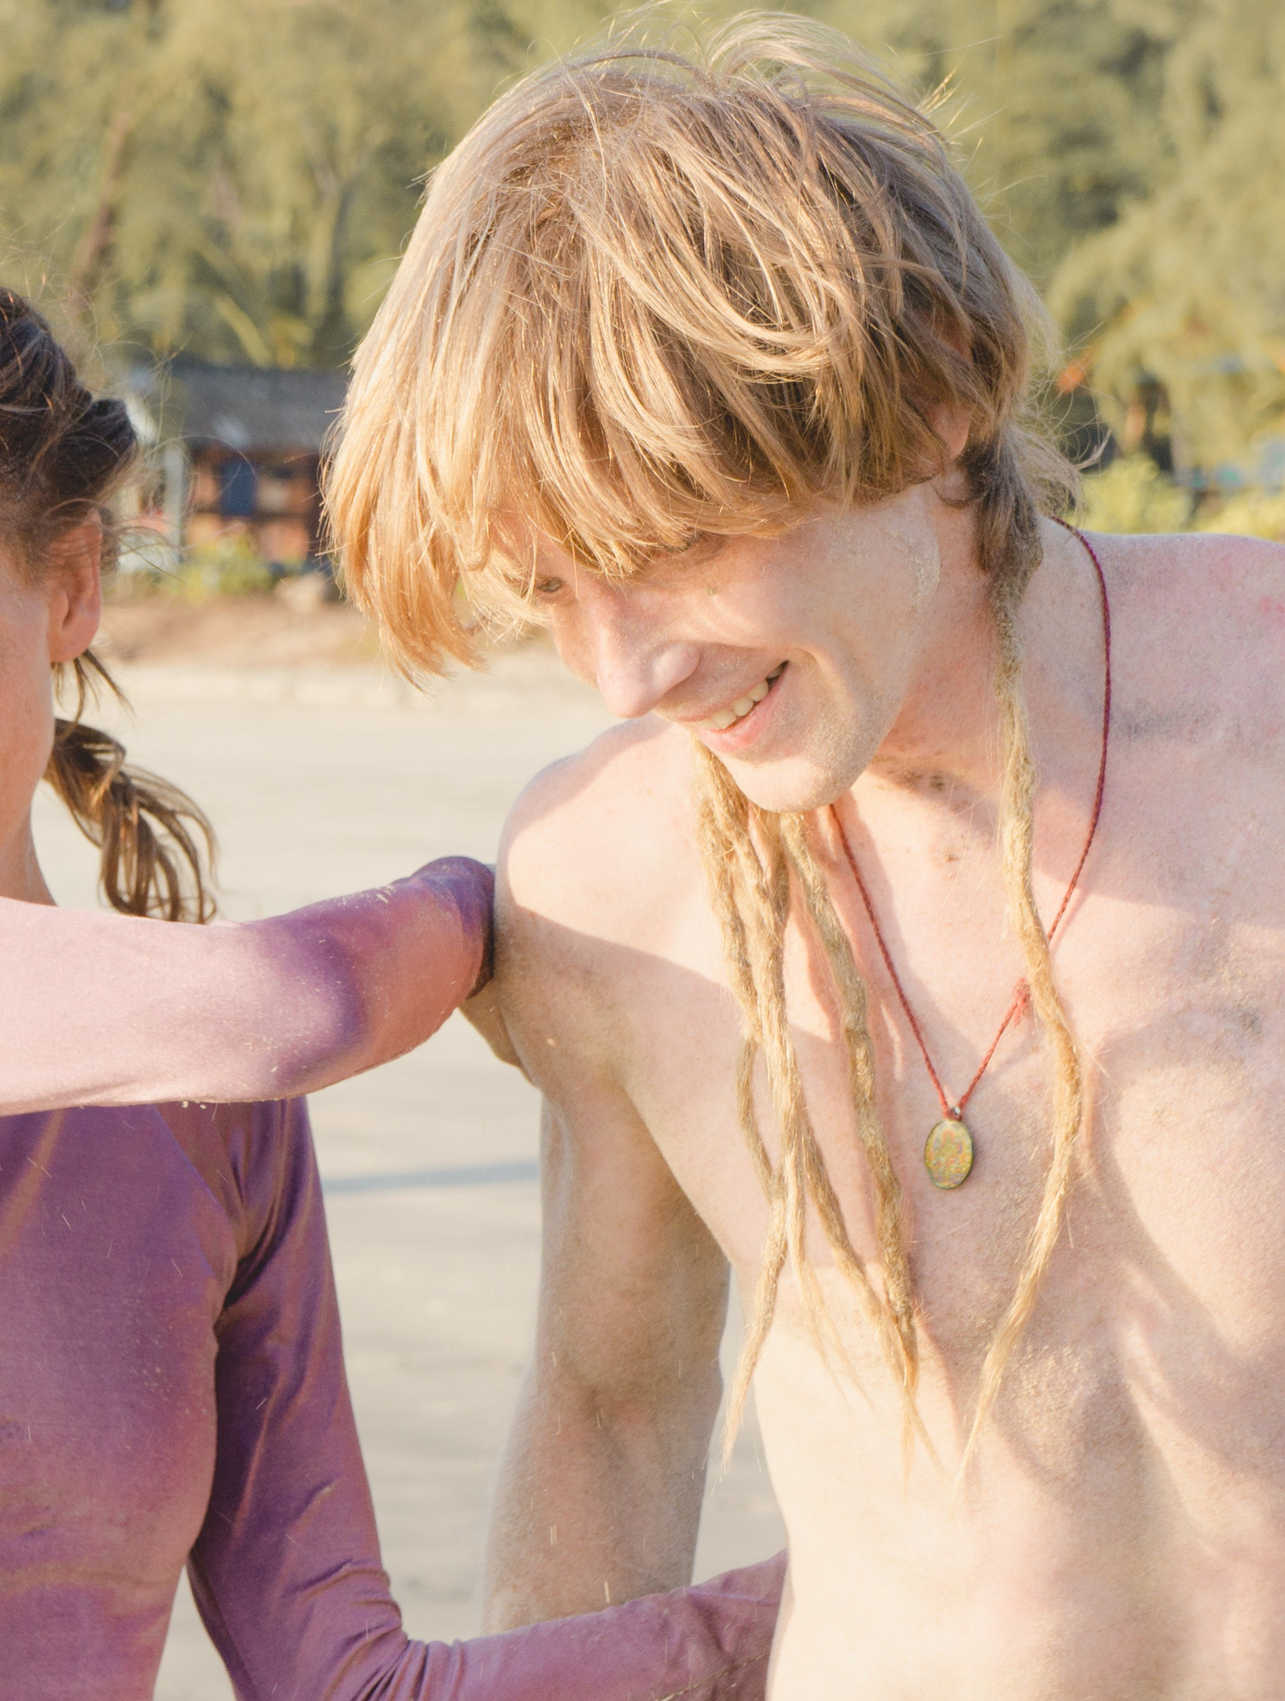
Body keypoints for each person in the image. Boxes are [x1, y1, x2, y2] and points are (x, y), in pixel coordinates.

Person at [0, 231, 780, 1699]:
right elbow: (289, 1003)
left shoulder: (209, 1115)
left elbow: (346, 1680)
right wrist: (516, 901)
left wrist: (832, 1607)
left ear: (72, 586)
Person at [327, 17, 1285, 1699]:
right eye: (549, 588)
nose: (626, 674)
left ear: (925, 399)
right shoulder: (606, 876)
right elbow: (613, 1409)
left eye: (675, 546)